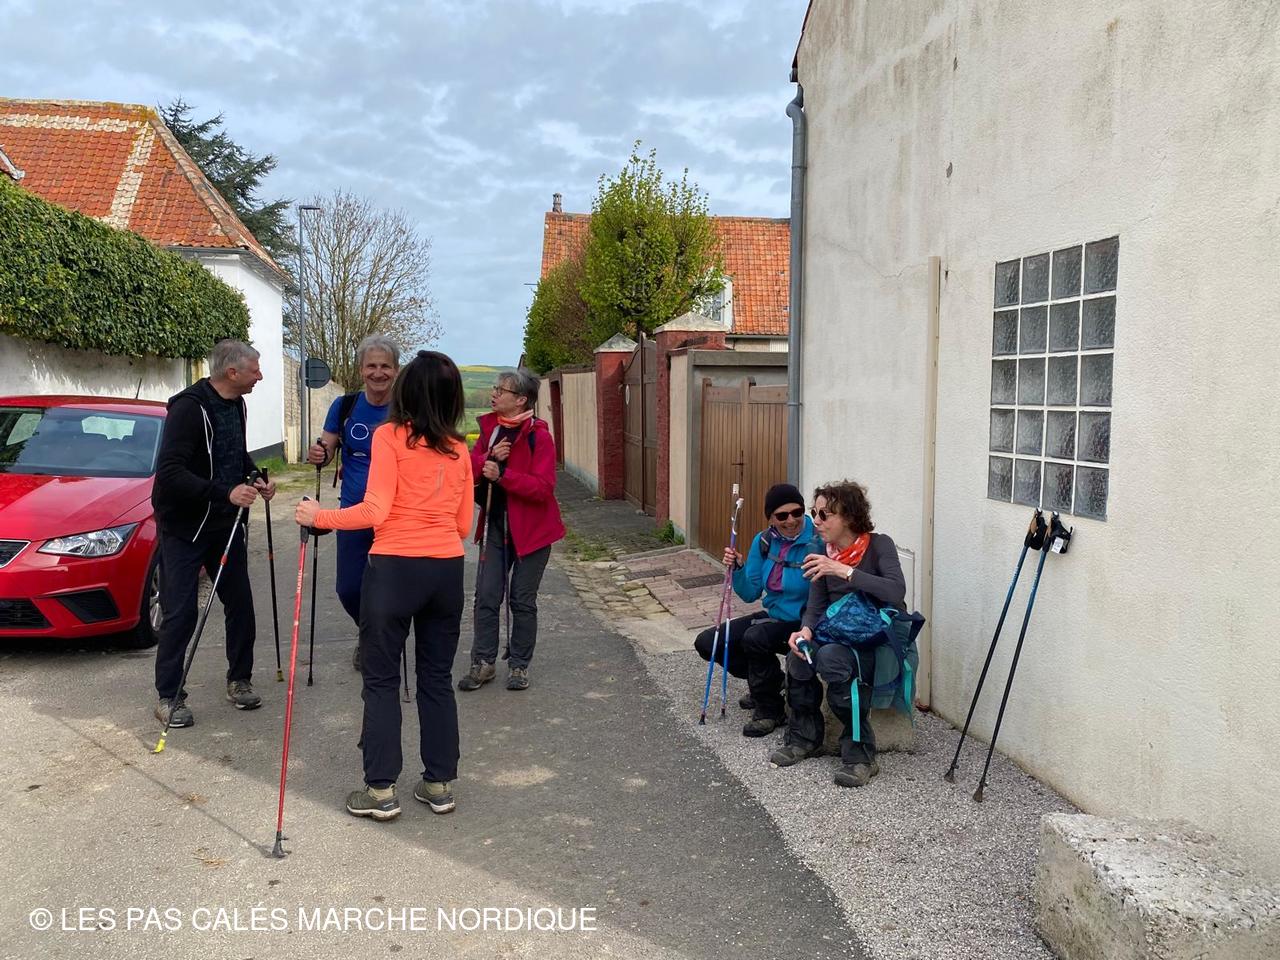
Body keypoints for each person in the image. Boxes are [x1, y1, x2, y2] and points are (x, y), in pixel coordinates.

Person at [296, 350, 472, 821]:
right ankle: (439, 784)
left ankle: (380, 791)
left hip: (394, 568)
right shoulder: (459, 448)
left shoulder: (389, 436)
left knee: (381, 679)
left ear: (406, 390)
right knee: (436, 679)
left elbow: (374, 511)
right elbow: (463, 525)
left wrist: (318, 516)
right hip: (446, 570)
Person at [151, 339, 276, 727]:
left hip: (225, 524)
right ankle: (169, 695)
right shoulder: (189, 408)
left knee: (241, 605)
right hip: (184, 527)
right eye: (254, 370)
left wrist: (255, 477)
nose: (260, 376)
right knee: (181, 612)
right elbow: (170, 473)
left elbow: (235, 454)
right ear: (232, 372)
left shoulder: (237, 403)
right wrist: (225, 492)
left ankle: (239, 680)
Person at [769, 480, 905, 788]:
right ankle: (804, 738)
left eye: (824, 514)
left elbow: (896, 591)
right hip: (835, 631)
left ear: (849, 516)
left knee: (831, 659)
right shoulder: (821, 550)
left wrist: (843, 570)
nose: (815, 521)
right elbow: (816, 606)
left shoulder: (879, 545)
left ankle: (860, 755)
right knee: (799, 656)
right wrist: (804, 630)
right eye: (814, 512)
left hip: (872, 637)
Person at [457, 368, 565, 693]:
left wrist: (504, 476)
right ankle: (483, 662)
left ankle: (519, 665)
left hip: (533, 534)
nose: (494, 394)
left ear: (521, 400)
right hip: (496, 527)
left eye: (501, 390)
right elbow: (468, 469)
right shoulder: (489, 430)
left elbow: (543, 488)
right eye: (495, 388)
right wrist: (490, 457)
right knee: (486, 596)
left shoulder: (538, 436)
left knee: (522, 600)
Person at [306, 334, 400, 670]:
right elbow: (326, 449)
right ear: (361, 369)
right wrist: (319, 454)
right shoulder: (344, 406)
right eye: (371, 366)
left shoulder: (406, 408)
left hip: (396, 515)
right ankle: (369, 631)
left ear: (396, 370)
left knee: (391, 587)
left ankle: (380, 640)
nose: (378, 373)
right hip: (353, 512)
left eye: (385, 366)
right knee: (348, 588)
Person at [694, 483, 817, 737]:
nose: (791, 520)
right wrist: (738, 568)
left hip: (806, 622)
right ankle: (771, 683)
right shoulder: (763, 542)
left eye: (797, 512)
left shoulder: (817, 540)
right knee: (709, 642)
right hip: (774, 617)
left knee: (755, 637)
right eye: (782, 515)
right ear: (771, 519)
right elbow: (750, 593)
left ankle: (770, 710)